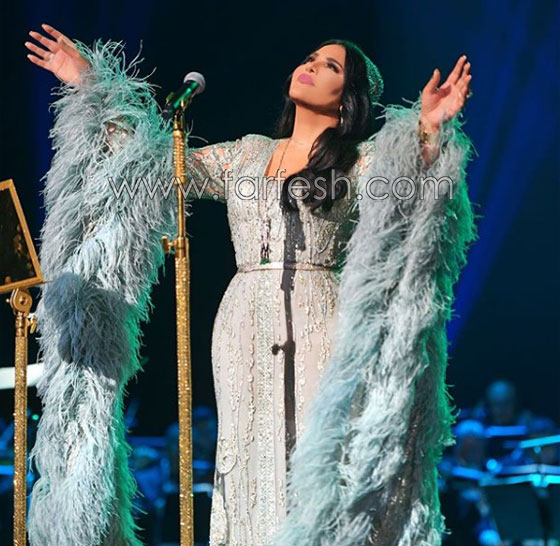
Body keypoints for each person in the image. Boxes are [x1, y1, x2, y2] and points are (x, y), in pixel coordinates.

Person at [25, 23, 477, 546]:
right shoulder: (245, 155)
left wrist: (428, 128)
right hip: (241, 320)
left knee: (318, 447)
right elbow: (156, 165)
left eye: (330, 66)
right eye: (311, 57)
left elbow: (411, 187)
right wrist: (90, 85)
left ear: (347, 99)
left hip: (321, 317)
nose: (311, 66)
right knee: (247, 447)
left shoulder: (359, 162)